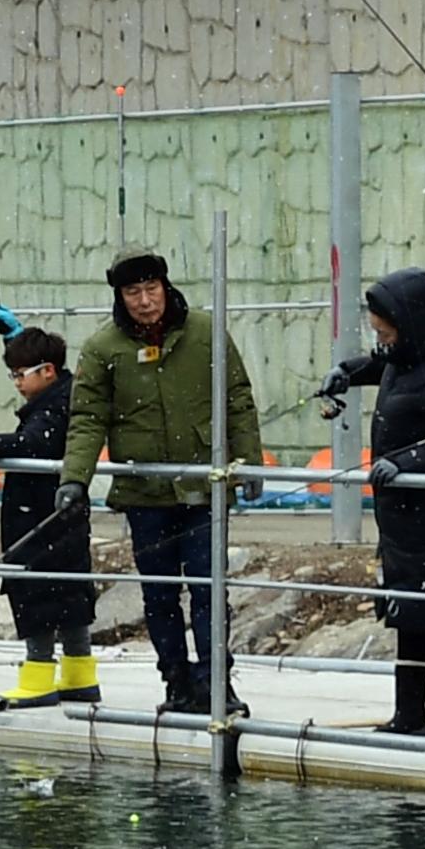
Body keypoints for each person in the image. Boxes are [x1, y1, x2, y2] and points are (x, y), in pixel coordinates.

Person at [58, 249, 266, 718]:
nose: (146, 301)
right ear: (120, 297)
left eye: (152, 289)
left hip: (202, 486)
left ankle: (216, 682)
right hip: (144, 493)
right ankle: (175, 679)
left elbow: (237, 399)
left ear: (166, 288)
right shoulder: (103, 348)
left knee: (210, 588)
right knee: (159, 592)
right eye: (134, 292)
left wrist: (248, 461)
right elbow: (88, 418)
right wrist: (75, 479)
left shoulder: (205, 332)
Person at [322, 268, 425, 738]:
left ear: (411, 324)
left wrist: (406, 462)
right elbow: (382, 364)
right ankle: (408, 712)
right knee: (407, 612)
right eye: (377, 332)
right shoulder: (406, 356)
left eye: (385, 332)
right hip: (401, 520)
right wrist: (347, 373)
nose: (381, 341)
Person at [0, 326, 94, 708]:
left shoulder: (53, 407)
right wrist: (16, 335)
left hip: (40, 516)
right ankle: (81, 675)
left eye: (20, 374)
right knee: (69, 592)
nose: (16, 382)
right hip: (63, 516)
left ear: (47, 371)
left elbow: (34, 441)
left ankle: (38, 677)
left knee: (38, 593)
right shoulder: (64, 392)